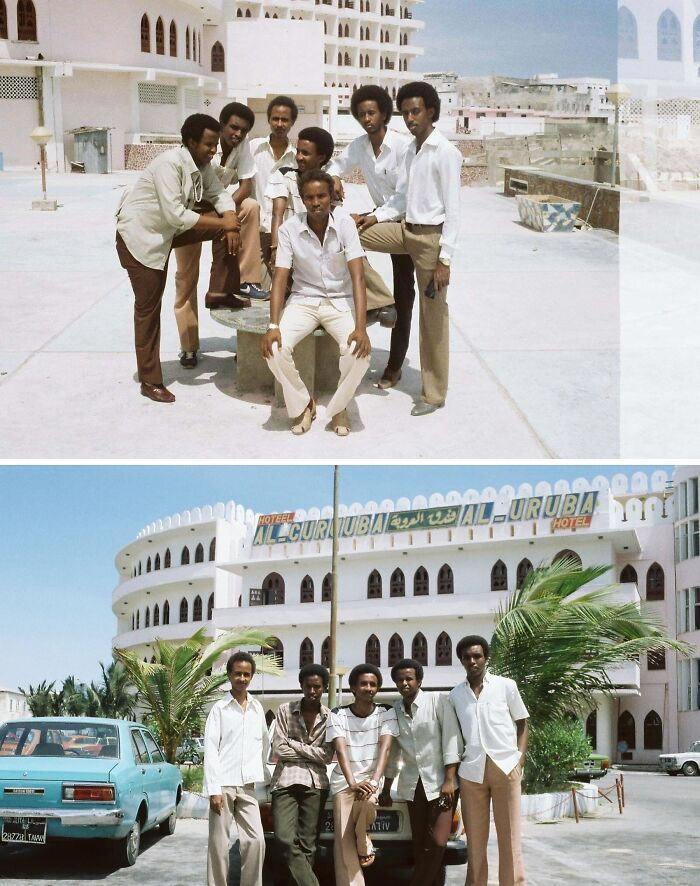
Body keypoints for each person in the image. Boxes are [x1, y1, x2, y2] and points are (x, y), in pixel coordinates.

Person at [116, 113, 240, 402]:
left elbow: (220, 194)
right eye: (208, 145)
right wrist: (224, 224)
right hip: (141, 240)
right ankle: (150, 381)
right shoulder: (169, 164)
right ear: (191, 141)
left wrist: (231, 220)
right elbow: (176, 214)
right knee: (148, 311)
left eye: (215, 145)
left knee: (236, 221)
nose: (213, 151)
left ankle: (219, 290)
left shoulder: (202, 165)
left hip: (169, 232)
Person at [358, 81, 462, 416]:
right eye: (405, 112)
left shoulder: (444, 152)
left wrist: (445, 259)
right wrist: (373, 218)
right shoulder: (411, 150)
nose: (409, 118)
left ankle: (433, 394)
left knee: (433, 319)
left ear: (431, 111)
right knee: (347, 233)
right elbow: (401, 198)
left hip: (431, 242)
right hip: (405, 230)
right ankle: (381, 300)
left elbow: (454, 210)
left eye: (415, 111)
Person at [260, 170, 371, 437]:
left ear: (332, 196)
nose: (316, 202)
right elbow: (280, 278)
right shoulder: (289, 230)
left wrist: (361, 327)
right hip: (303, 300)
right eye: (309, 197)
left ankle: (339, 407)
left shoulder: (345, 224)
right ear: (302, 199)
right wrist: (273, 324)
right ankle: (303, 403)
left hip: (339, 302)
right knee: (275, 348)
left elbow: (358, 277)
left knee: (359, 352)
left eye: (322, 195)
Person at [327, 85, 414, 388]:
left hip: (409, 223)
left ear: (384, 114)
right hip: (383, 218)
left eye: (372, 112)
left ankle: (394, 365)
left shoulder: (403, 147)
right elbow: (333, 164)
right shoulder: (361, 145)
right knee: (344, 231)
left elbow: (404, 197)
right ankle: (379, 301)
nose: (367, 118)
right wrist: (335, 176)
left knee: (406, 295)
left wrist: (370, 217)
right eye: (361, 113)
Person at [266, 127, 396, 329]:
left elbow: (334, 219)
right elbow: (277, 213)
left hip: (321, 243)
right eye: (298, 151)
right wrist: (275, 248)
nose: (299, 157)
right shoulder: (285, 175)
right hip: (292, 244)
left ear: (321, 158)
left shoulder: (329, 182)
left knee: (351, 245)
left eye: (305, 153)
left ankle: (380, 302)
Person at [173, 102, 266, 370]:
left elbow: (246, 185)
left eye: (243, 130)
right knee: (186, 278)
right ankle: (188, 346)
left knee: (249, 207)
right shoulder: (200, 144)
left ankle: (247, 280)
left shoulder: (241, 146)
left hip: (220, 206)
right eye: (233, 127)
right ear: (223, 124)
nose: (237, 133)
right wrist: (219, 217)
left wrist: (225, 215)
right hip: (191, 213)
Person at [448, 636, 529, 886]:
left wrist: (520, 759)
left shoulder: (506, 686)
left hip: (506, 767)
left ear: (485, 658)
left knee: (510, 838)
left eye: (477, 656)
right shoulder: (455, 695)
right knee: (475, 842)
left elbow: (522, 722)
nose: (473, 661)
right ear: (461, 660)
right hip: (472, 772)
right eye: (467, 657)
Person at [379, 658, 462, 886]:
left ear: (419, 680)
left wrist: (448, 779)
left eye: (409, 678)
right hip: (412, 785)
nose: (404, 683)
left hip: (440, 784)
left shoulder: (438, 701)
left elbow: (451, 741)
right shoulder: (395, 710)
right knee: (420, 844)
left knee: (437, 843)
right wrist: (386, 788)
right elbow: (394, 753)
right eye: (399, 680)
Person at [326, 663, 399, 886]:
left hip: (370, 780)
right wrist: (352, 783)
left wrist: (374, 782)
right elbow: (341, 750)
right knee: (343, 840)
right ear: (353, 688)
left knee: (367, 803)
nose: (368, 688)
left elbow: (385, 748)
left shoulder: (386, 712)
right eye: (364, 684)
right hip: (343, 781)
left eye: (373, 684)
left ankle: (363, 836)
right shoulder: (338, 714)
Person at [203, 651, 270, 886]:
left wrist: (260, 772)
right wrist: (214, 789)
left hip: (248, 786)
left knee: (256, 842)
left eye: (247, 674)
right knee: (219, 845)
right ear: (229, 675)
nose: (242, 678)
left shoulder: (257, 708)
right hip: (223, 784)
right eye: (238, 673)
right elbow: (210, 749)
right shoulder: (219, 709)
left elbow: (264, 742)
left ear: (252, 676)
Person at [271, 664, 334, 886]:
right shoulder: (284, 710)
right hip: (285, 779)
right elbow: (279, 749)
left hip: (316, 782)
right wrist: (309, 752)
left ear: (325, 688)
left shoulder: (330, 718)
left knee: (308, 843)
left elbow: (326, 756)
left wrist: (294, 744)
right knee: (284, 838)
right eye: (308, 686)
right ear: (301, 686)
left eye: (317, 686)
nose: (312, 691)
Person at [249, 96, 299, 282]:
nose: (279, 124)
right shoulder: (253, 148)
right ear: (268, 119)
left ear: (292, 122)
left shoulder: (297, 157)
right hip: (258, 231)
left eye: (285, 119)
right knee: (260, 290)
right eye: (275, 119)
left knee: (288, 288)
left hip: (286, 233)